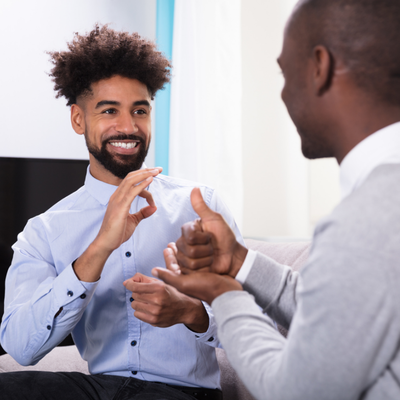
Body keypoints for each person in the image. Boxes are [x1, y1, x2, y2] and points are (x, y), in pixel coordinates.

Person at [154, 0, 400, 399]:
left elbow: (296, 390)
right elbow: (341, 319)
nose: (283, 95)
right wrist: (238, 261)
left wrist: (223, 293)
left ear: (319, 67)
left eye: (285, 73)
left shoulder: (365, 219)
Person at [0, 25, 242, 400]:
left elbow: (258, 327)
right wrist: (99, 247)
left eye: (139, 110)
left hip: (179, 393)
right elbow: (20, 346)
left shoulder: (200, 205)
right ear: (79, 120)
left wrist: (192, 314)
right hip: (96, 388)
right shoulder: (45, 231)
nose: (128, 127)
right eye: (109, 110)